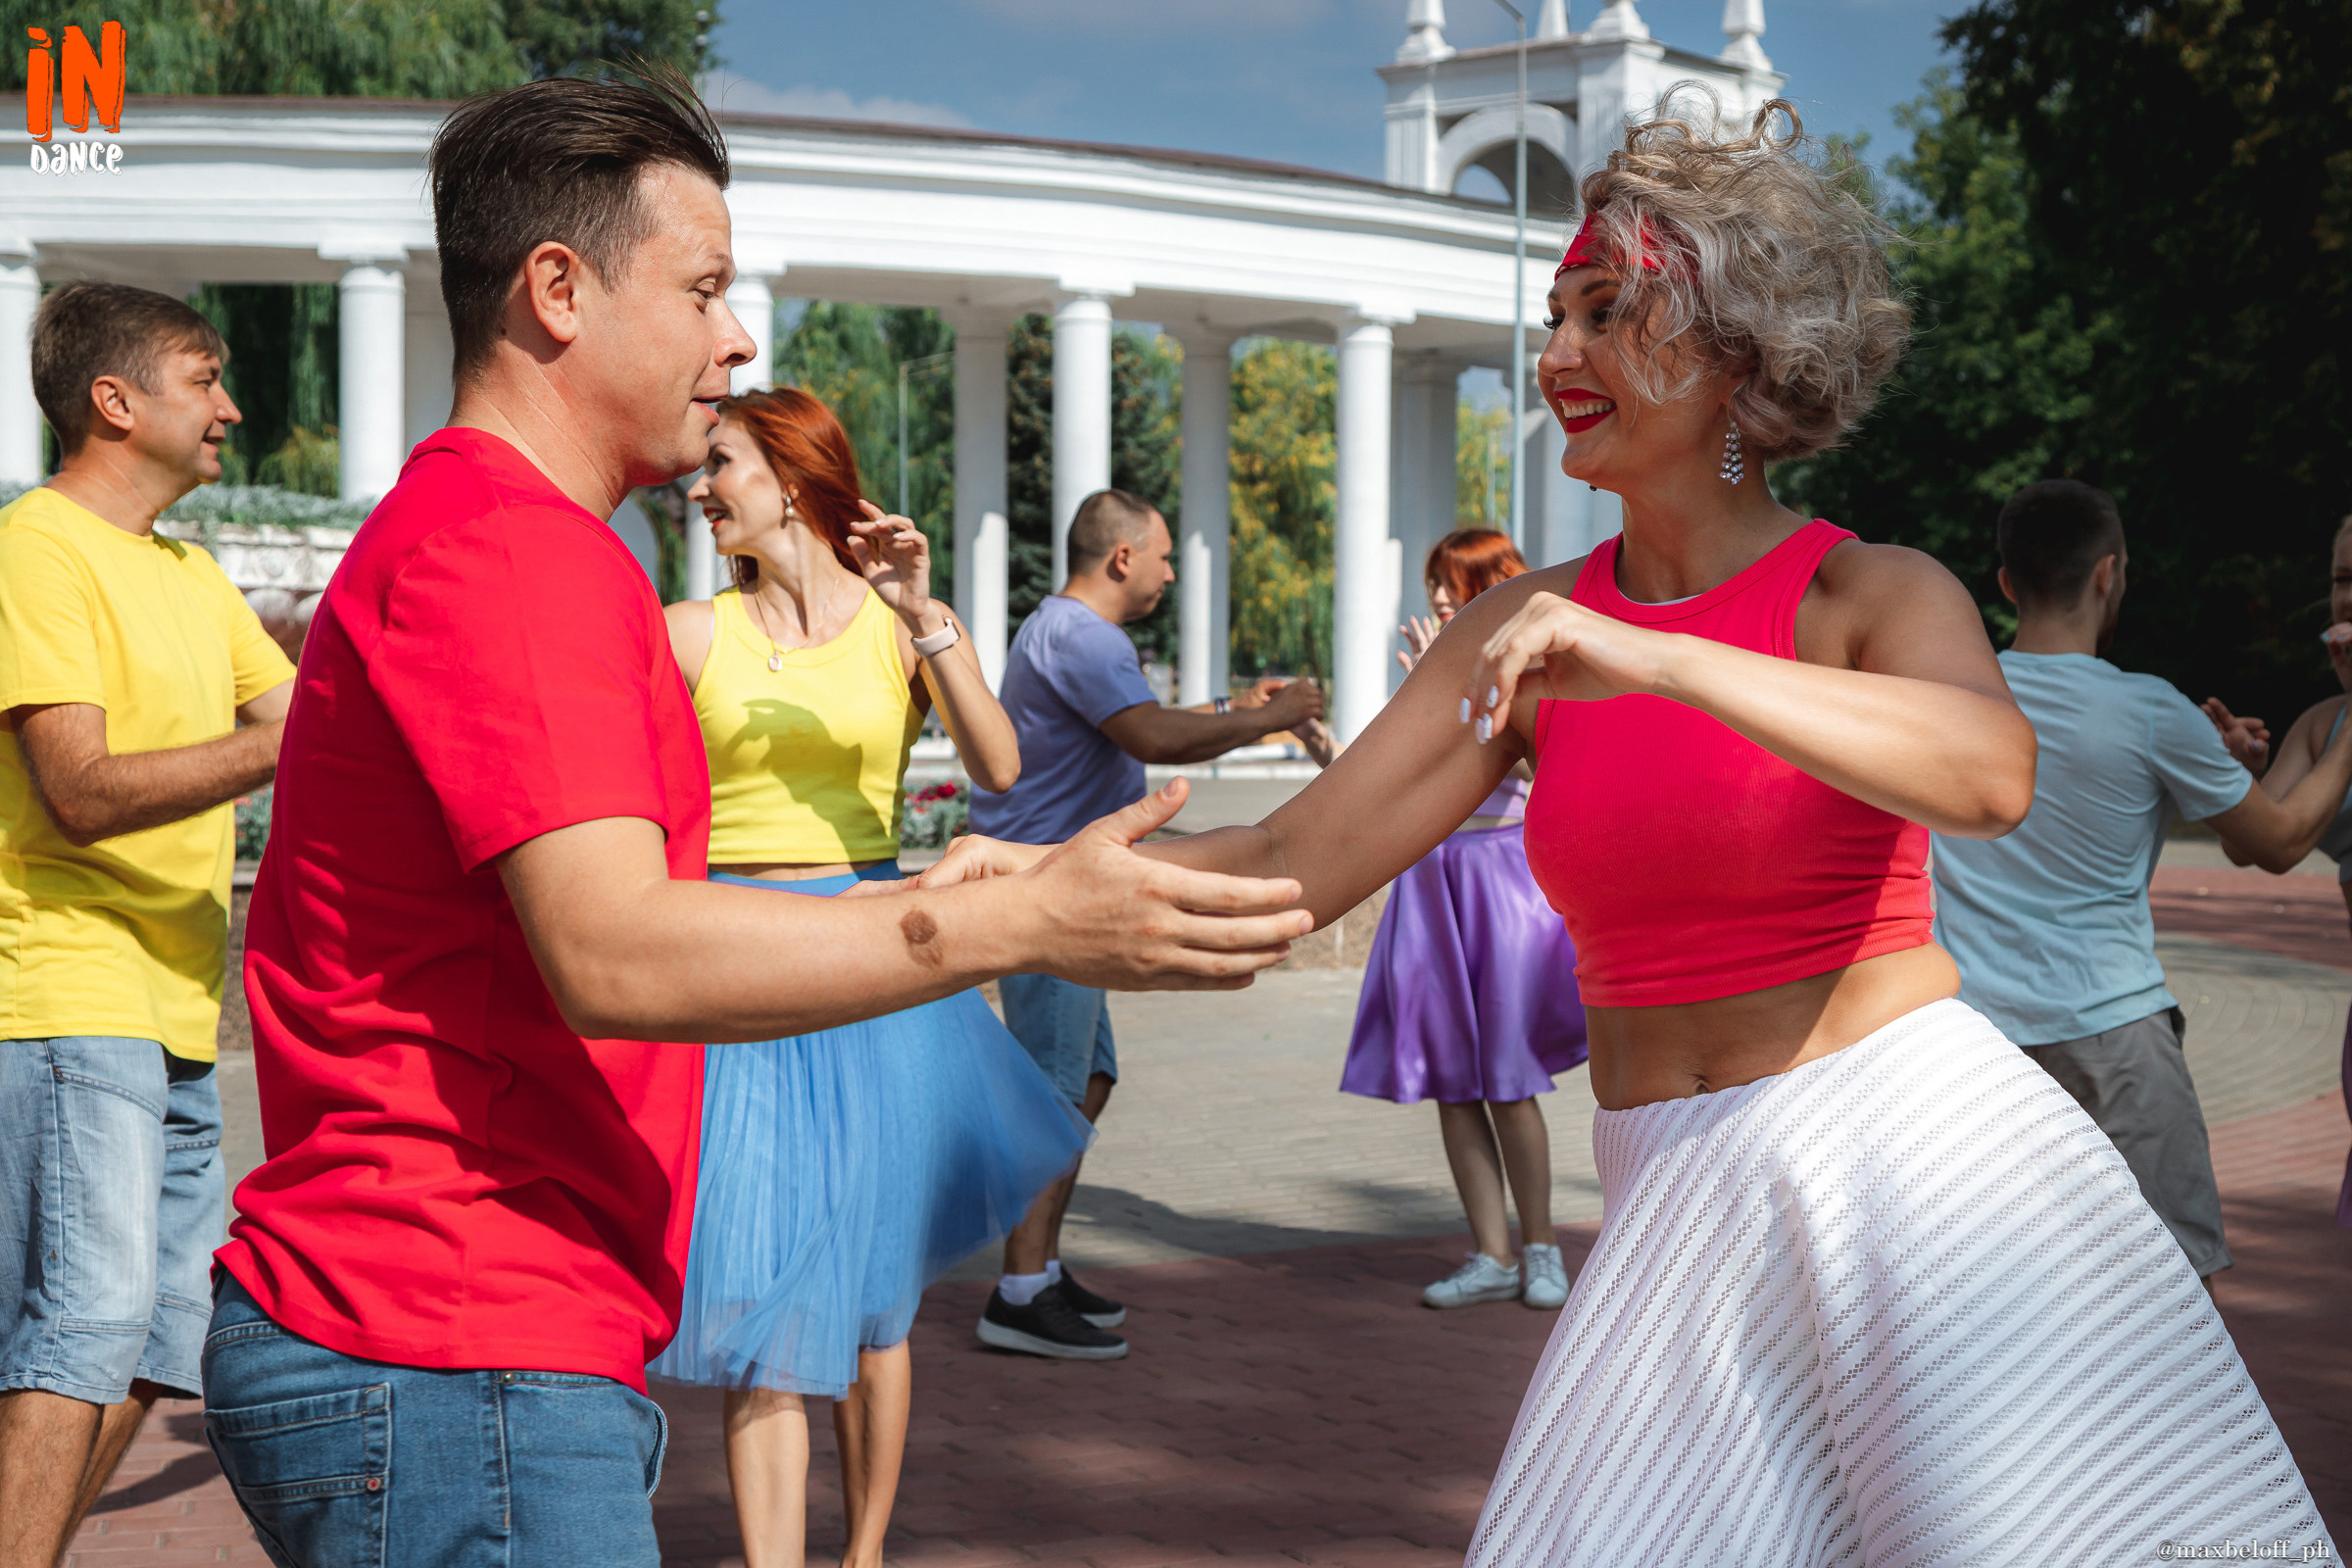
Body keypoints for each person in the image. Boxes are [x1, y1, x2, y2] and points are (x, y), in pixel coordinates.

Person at [925, 99, 2333, 1561]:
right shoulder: (1517, 629)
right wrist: (1002, 895)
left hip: (1917, 1172)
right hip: (1678, 1195)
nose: (1554, 359)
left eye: (1606, 314)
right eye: (1555, 317)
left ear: (1734, 352)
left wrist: (1660, 655)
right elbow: (1283, 872)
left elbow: (1987, 774)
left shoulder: (1867, 592)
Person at [198, 73, 1309, 1568]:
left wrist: (945, 887)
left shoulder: (502, 537)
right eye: (708, 288)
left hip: (465, 1341)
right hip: (453, 1343)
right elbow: (616, 951)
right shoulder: (517, 552)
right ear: (560, 291)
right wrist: (1011, 918)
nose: (739, 341)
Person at [647, 385, 1091, 1568]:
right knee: (752, 1301)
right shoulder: (687, 631)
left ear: (789, 476)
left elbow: (1000, 769)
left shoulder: (899, 627)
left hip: (881, 960)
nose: (700, 487)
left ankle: (866, 1555)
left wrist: (925, 609)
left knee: (875, 1307)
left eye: (721, 463)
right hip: (739, 968)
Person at [0, 283, 295, 1568]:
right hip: (70, 996)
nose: (230, 405)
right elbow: (81, 790)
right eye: (202, 377)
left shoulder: (189, 571)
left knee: (161, 1339)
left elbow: (316, 714)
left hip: (175, 1010)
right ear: (114, 403)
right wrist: (265, 750)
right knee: (81, 1330)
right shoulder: (36, 549)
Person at [1931, 480, 2352, 1287]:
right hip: (2116, 1043)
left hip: (1972, 1049)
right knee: (2170, 1304)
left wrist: (2229, 772)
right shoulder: (2151, 710)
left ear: (2009, 584)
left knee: (1992, 1301)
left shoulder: (1952, 701)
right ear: (2109, 574)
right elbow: (2280, 843)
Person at [966, 487, 1325, 1359]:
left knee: (1088, 1076)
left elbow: (1139, 726)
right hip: (1049, 894)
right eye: (1162, 556)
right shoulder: (1083, 634)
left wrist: (1236, 707)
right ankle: (1017, 1292)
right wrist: (1269, 720)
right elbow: (1154, 738)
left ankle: (1038, 1272)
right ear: (1121, 558)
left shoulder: (1067, 632)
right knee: (1056, 1085)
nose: (1169, 571)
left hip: (1059, 885)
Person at [1340, 529, 1587, 1312]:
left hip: (1502, 877)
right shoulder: (1432, 664)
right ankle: (1489, 1252)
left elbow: (1540, 768)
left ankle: (1541, 1249)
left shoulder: (1537, 665)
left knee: (1509, 1080)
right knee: (1454, 1080)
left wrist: (1469, 707)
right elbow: (1395, 779)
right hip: (1434, 874)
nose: (1440, 598)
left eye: (1453, 583)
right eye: (1434, 584)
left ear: (1492, 583)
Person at [2217, 511, 2352, 1229]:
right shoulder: (2323, 723)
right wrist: (2246, 776)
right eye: (2341, 580)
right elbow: (2258, 846)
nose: (2350, 600)